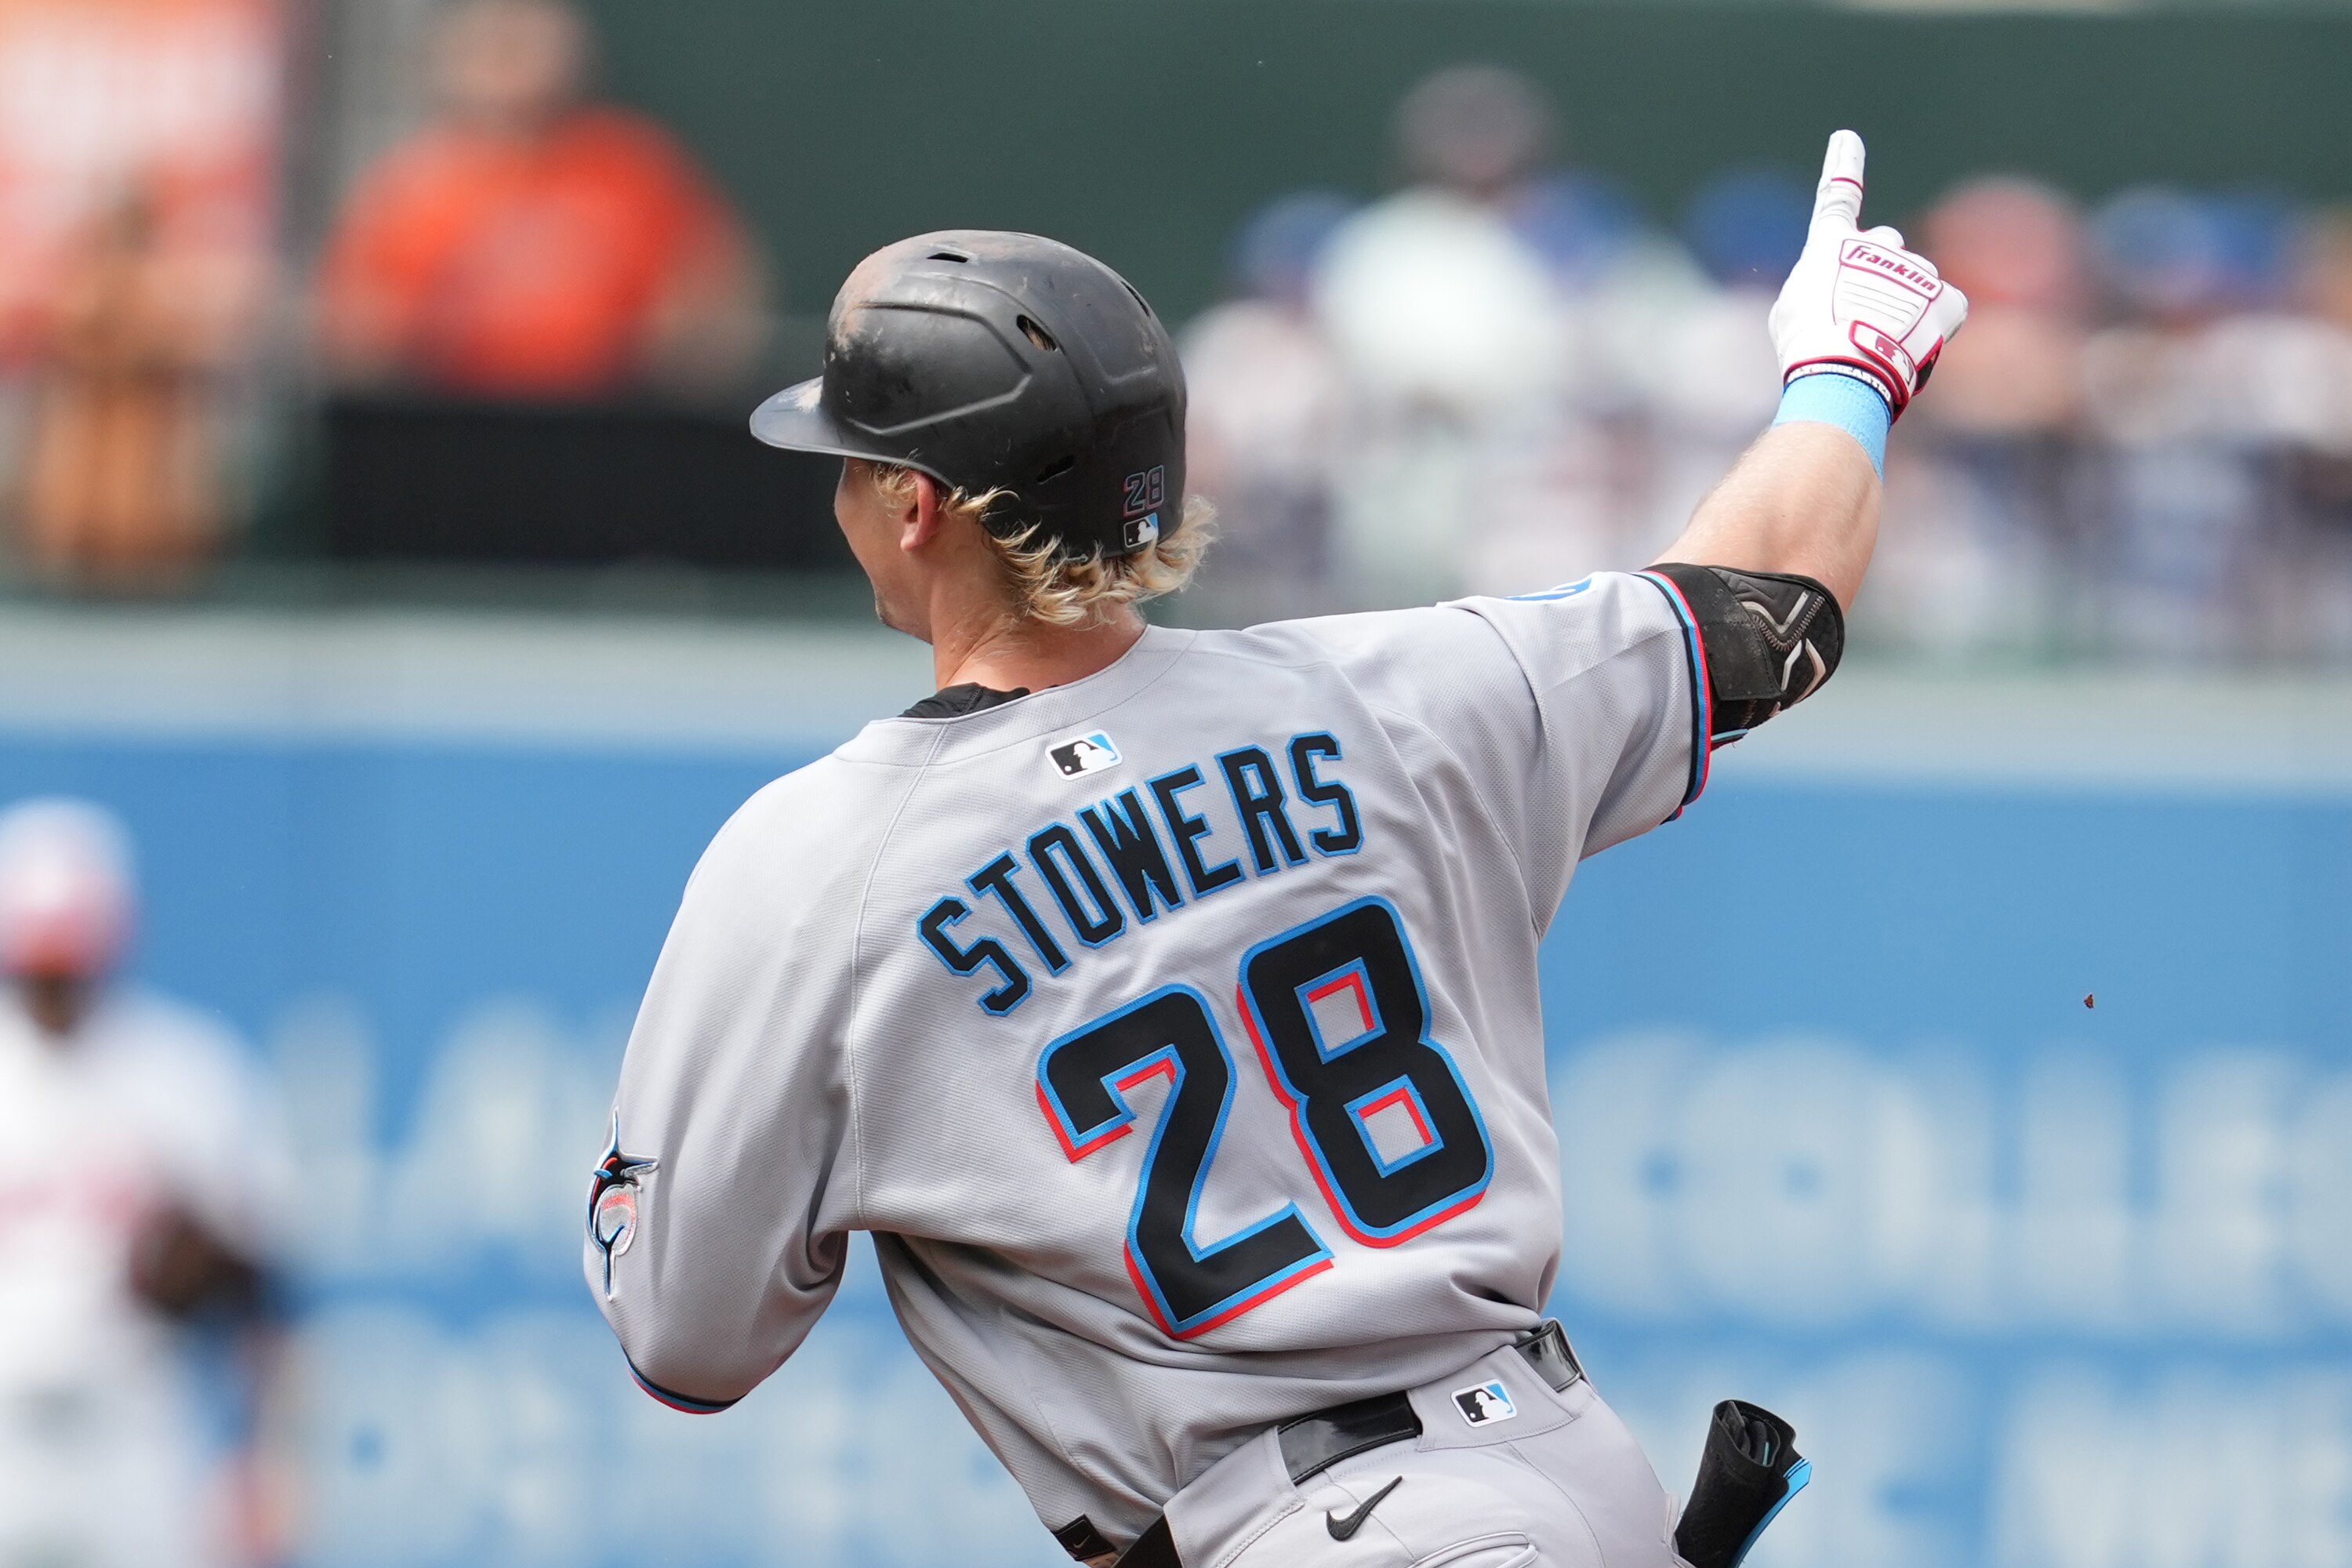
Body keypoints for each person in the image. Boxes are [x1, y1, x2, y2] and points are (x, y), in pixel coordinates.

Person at [586, 133, 1965, 1568]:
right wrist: (1843, 376)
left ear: (919, 506)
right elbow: (1766, 611)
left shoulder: (821, 863)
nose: (846, 488)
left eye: (858, 461)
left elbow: (690, 1339)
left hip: (1310, 1528)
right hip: (1569, 1474)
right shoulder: (1410, 693)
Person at [0, 799, 291, 1568]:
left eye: (68, 967)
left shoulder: (184, 1077)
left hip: (135, 1429)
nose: (53, 990)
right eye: (38, 969)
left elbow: (261, 1288)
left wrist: (265, 1462)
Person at [316, 0, 763, 399]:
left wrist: (679, 354)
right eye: (494, 48)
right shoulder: (410, 187)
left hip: (606, 428)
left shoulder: (632, 168)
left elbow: (716, 298)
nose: (510, 65)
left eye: (520, 45)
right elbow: (357, 339)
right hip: (453, 427)